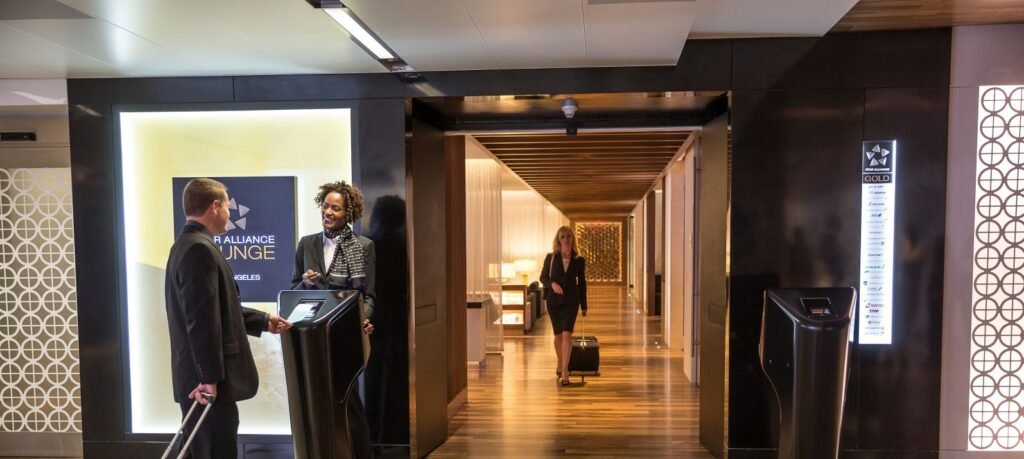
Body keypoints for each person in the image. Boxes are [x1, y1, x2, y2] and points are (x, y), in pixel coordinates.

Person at [165, 178, 292, 459]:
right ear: (215, 206)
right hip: (207, 384)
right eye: (227, 206)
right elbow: (201, 321)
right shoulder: (198, 249)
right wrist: (208, 378)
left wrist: (262, 320)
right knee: (213, 450)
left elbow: (218, 308)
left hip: (206, 380)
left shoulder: (188, 245)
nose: (230, 214)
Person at [291, 180, 375, 458]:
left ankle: (358, 454)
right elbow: (292, 290)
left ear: (347, 213)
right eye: (325, 205)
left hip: (347, 333)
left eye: (335, 208)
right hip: (312, 335)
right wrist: (304, 282)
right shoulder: (306, 244)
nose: (328, 211)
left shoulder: (363, 246)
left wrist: (364, 320)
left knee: (347, 400)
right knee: (317, 399)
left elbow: (369, 295)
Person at [540, 225, 588, 386]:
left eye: (568, 236)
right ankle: (560, 362)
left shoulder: (579, 260)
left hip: (571, 301)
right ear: (558, 240)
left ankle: (565, 371)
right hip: (554, 302)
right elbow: (543, 278)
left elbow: (582, 283)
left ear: (572, 239)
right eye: (563, 237)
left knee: (567, 334)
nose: (566, 239)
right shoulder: (551, 257)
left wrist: (584, 305)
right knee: (558, 336)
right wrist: (552, 284)